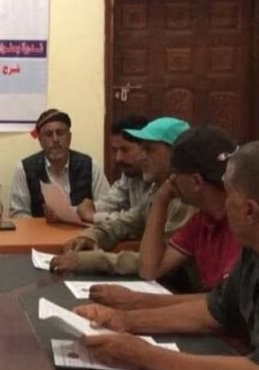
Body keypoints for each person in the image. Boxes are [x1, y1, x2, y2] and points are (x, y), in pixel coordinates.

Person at [75, 141, 259, 370]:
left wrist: (145, 355)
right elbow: (213, 310)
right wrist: (124, 320)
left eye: (228, 195)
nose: (224, 204)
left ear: (249, 211)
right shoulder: (257, 251)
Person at [89, 125, 242, 309]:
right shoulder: (203, 218)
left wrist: (137, 302)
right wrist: (161, 199)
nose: (172, 179)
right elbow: (150, 269)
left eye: (176, 173)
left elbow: (225, 305)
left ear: (196, 181)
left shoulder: (242, 223)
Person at [50, 117, 195, 274]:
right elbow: (126, 222)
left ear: (176, 154)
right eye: (142, 149)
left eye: (149, 149)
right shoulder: (158, 190)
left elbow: (158, 262)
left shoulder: (186, 200)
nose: (141, 156)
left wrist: (90, 261)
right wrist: (91, 236)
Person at [9, 109, 110, 219]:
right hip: (41, 229)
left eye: (60, 133)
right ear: (40, 140)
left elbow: (107, 208)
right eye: (49, 134)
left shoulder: (91, 166)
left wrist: (81, 212)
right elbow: (18, 214)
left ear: (69, 137)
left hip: (83, 229)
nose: (55, 139)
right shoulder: (24, 169)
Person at [77, 115, 150, 224]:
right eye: (115, 150)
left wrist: (94, 216)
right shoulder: (129, 172)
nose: (118, 158)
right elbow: (112, 201)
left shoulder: (158, 177)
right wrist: (82, 209)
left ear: (145, 148)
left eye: (125, 150)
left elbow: (137, 221)